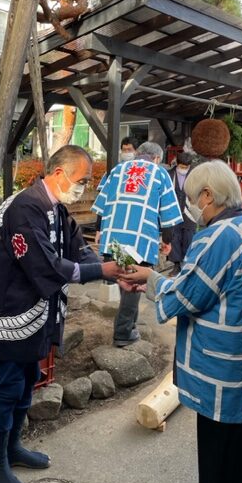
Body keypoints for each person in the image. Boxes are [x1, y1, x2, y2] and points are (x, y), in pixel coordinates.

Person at [119, 160, 242, 483]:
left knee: (217, 437)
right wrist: (158, 282)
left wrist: (150, 278)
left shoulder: (217, 235)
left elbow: (191, 295)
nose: (191, 205)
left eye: (192, 197)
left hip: (227, 359)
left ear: (207, 195)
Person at [0, 145, 123, 483]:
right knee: (7, 386)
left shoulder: (55, 208)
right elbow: (46, 266)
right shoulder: (25, 208)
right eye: (82, 180)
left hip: (37, 311)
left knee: (28, 381)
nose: (85, 187)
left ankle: (15, 448)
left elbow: (75, 247)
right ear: (58, 174)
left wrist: (115, 273)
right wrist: (101, 271)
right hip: (9, 313)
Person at [92, 141, 182, 347]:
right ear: (157, 158)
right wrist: (167, 241)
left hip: (115, 236)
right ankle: (123, 332)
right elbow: (167, 212)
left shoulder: (117, 169)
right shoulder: (160, 173)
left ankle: (129, 326)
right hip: (139, 239)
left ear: (137, 154)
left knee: (125, 277)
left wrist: (100, 230)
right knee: (134, 282)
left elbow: (103, 202)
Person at [167, 152, 196, 276]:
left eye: (186, 167)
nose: (184, 169)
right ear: (177, 164)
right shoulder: (169, 174)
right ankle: (176, 265)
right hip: (173, 211)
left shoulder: (195, 175)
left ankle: (187, 265)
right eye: (182, 166)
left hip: (190, 211)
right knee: (175, 237)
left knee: (189, 237)